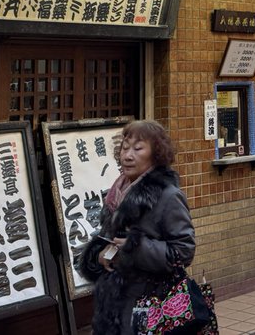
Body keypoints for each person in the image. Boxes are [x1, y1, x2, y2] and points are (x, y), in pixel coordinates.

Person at [77, 120, 196, 334]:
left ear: (156, 154)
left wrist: (135, 248)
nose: (128, 155)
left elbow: (183, 252)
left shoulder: (169, 196)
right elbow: (108, 239)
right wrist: (99, 255)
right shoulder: (116, 193)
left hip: (150, 307)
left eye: (138, 148)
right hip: (112, 306)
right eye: (125, 148)